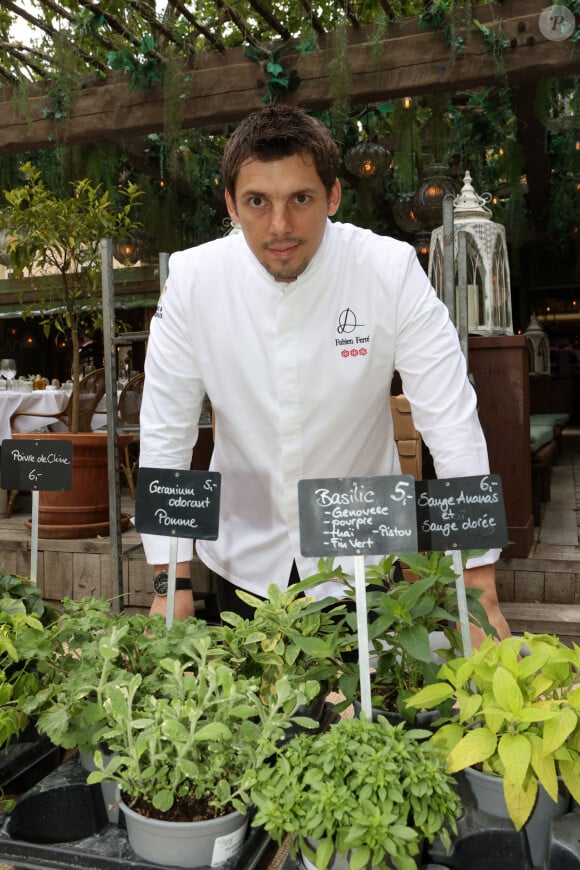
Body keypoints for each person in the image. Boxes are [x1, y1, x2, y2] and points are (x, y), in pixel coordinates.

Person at [140, 104, 510, 644]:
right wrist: (167, 582)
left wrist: (477, 583)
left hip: (363, 551)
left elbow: (450, 421)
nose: (280, 226)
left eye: (301, 199)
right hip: (244, 559)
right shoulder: (194, 281)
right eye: (258, 202)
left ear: (333, 196)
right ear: (231, 204)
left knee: (368, 715)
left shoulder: (389, 270)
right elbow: (166, 432)